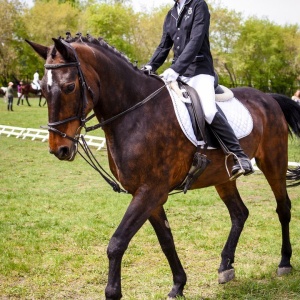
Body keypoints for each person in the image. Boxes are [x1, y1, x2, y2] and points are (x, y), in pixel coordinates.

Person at [143, 0, 254, 180]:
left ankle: (240, 156)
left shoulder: (198, 5)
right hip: (178, 72)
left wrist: (175, 69)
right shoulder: (171, 13)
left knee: (209, 111)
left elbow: (196, 41)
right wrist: (149, 67)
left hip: (199, 70)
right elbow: (164, 46)